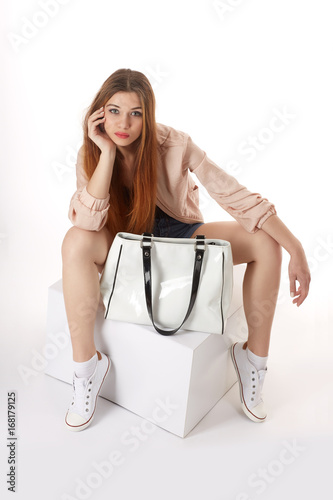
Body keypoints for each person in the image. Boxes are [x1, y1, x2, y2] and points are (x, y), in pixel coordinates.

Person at [61, 68, 311, 431]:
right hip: (124, 243)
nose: (124, 123)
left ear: (149, 115)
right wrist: (106, 153)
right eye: (114, 111)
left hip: (179, 233)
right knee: (75, 240)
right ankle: (87, 367)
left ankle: (252, 359)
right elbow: (85, 220)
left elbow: (230, 192)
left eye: (136, 113)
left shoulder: (173, 144)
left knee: (265, 242)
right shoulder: (93, 151)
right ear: (99, 112)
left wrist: (296, 248)